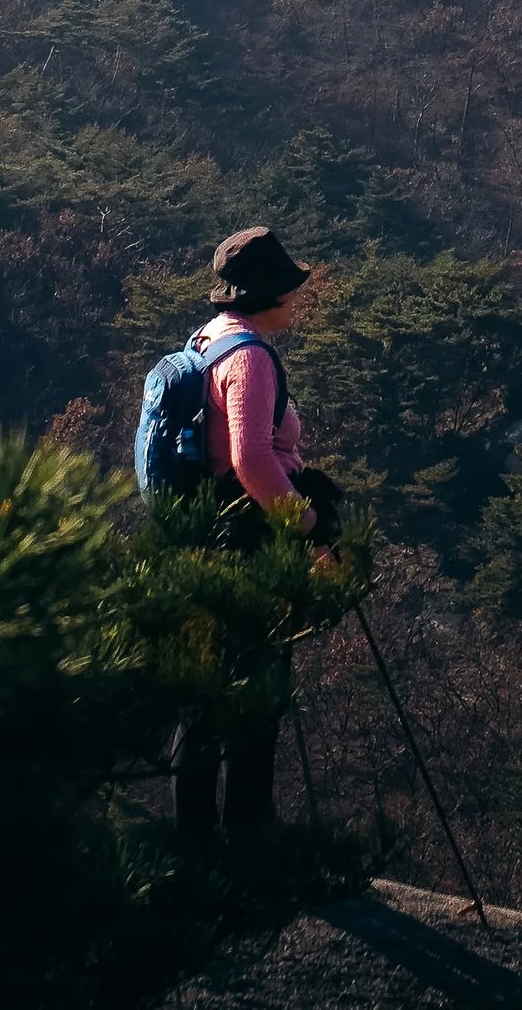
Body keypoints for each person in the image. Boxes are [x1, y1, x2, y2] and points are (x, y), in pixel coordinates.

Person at [171, 223, 326, 853]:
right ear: (268, 295)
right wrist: (309, 524)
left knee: (202, 687)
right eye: (290, 290)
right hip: (249, 538)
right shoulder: (251, 358)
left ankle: (194, 837)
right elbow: (252, 460)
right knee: (256, 684)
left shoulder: (206, 341)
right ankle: (248, 829)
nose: (297, 300)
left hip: (202, 532)